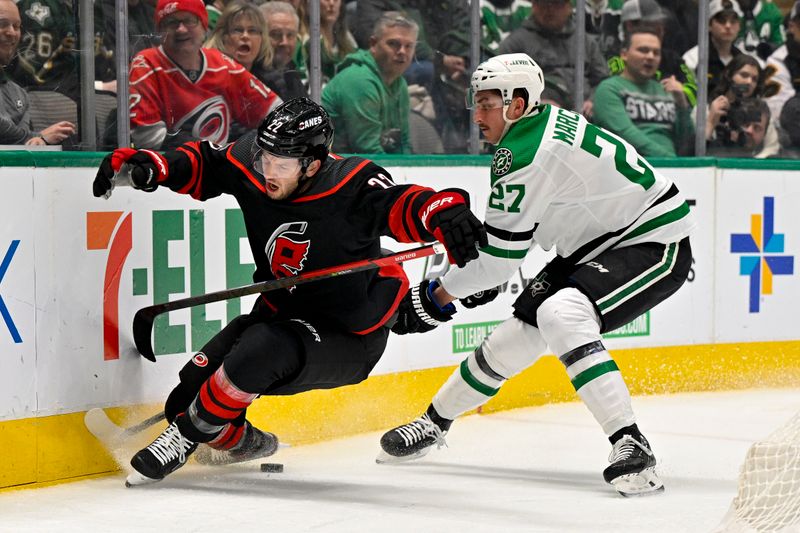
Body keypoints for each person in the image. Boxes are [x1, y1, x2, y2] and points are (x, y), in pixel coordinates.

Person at [91, 97, 488, 486]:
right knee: (188, 393)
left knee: (259, 352)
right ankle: (246, 444)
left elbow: (404, 204)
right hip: (281, 311)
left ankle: (182, 439)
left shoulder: (352, 184)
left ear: (313, 164)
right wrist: (156, 166)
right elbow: (207, 164)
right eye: (265, 158)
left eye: (281, 164)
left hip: (346, 338)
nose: (268, 171)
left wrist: (442, 209)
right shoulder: (255, 162)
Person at [377, 53, 696, 497]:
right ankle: (433, 424)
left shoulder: (525, 152)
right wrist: (477, 266)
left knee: (562, 312)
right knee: (519, 334)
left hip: (653, 241)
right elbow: (517, 238)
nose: (477, 114)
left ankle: (631, 443)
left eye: (488, 103)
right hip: (596, 241)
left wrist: (437, 295)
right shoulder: (538, 124)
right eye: (476, 101)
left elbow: (501, 262)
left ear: (518, 103)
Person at [129, 0, 282, 150]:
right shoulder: (146, 63)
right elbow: (148, 138)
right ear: (160, 31)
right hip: (169, 170)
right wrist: (212, 154)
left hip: (218, 167)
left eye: (189, 21)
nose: (181, 29)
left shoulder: (222, 64)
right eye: (171, 22)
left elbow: (277, 113)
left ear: (204, 26)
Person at [321, 11, 416, 154]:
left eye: (409, 46)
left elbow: (403, 144)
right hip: (333, 170)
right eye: (393, 44)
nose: (402, 51)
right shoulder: (359, 80)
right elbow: (367, 149)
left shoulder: (399, 83)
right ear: (373, 44)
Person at [497, 0, 609, 117]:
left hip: (585, 116)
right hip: (537, 119)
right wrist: (535, 103)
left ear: (569, 7)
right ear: (534, 6)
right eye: (544, 4)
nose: (549, 10)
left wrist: (593, 100)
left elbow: (602, 80)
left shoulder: (585, 41)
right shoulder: (515, 43)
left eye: (556, 4)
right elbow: (502, 88)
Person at [593, 29, 694, 157]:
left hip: (671, 169)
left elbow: (687, 141)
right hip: (629, 168)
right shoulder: (609, 89)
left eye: (656, 52)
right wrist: (669, 160)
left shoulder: (666, 90)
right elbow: (626, 134)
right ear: (624, 54)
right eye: (643, 50)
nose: (650, 57)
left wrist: (682, 104)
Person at [0, 0, 75, 146]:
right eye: (2, 24)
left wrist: (36, 141)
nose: (12, 32)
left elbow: (20, 150)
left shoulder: (19, 94)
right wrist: (39, 136)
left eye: (16, 26)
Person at [607, 0, 698, 107]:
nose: (660, 29)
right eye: (652, 24)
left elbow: (695, 92)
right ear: (630, 26)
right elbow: (624, 87)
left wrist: (681, 92)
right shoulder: (616, 56)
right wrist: (663, 92)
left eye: (661, 24)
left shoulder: (672, 58)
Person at [705, 54, 779, 157]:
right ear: (729, 75)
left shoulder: (760, 112)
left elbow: (772, 148)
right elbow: (695, 149)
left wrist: (751, 164)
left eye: (754, 79)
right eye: (744, 75)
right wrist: (710, 122)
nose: (749, 82)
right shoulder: (708, 108)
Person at [683, 0, 746, 98]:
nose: (728, 26)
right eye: (722, 20)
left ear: (739, 26)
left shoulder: (743, 60)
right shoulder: (693, 58)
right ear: (709, 25)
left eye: (733, 21)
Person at [260, 1, 308, 101]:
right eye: (276, 34)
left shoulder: (291, 72)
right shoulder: (253, 77)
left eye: (290, 35)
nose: (284, 42)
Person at [707, 96, 774, 157]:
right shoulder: (715, 150)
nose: (749, 130)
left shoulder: (767, 164)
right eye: (745, 124)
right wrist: (710, 124)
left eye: (756, 128)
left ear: (764, 134)